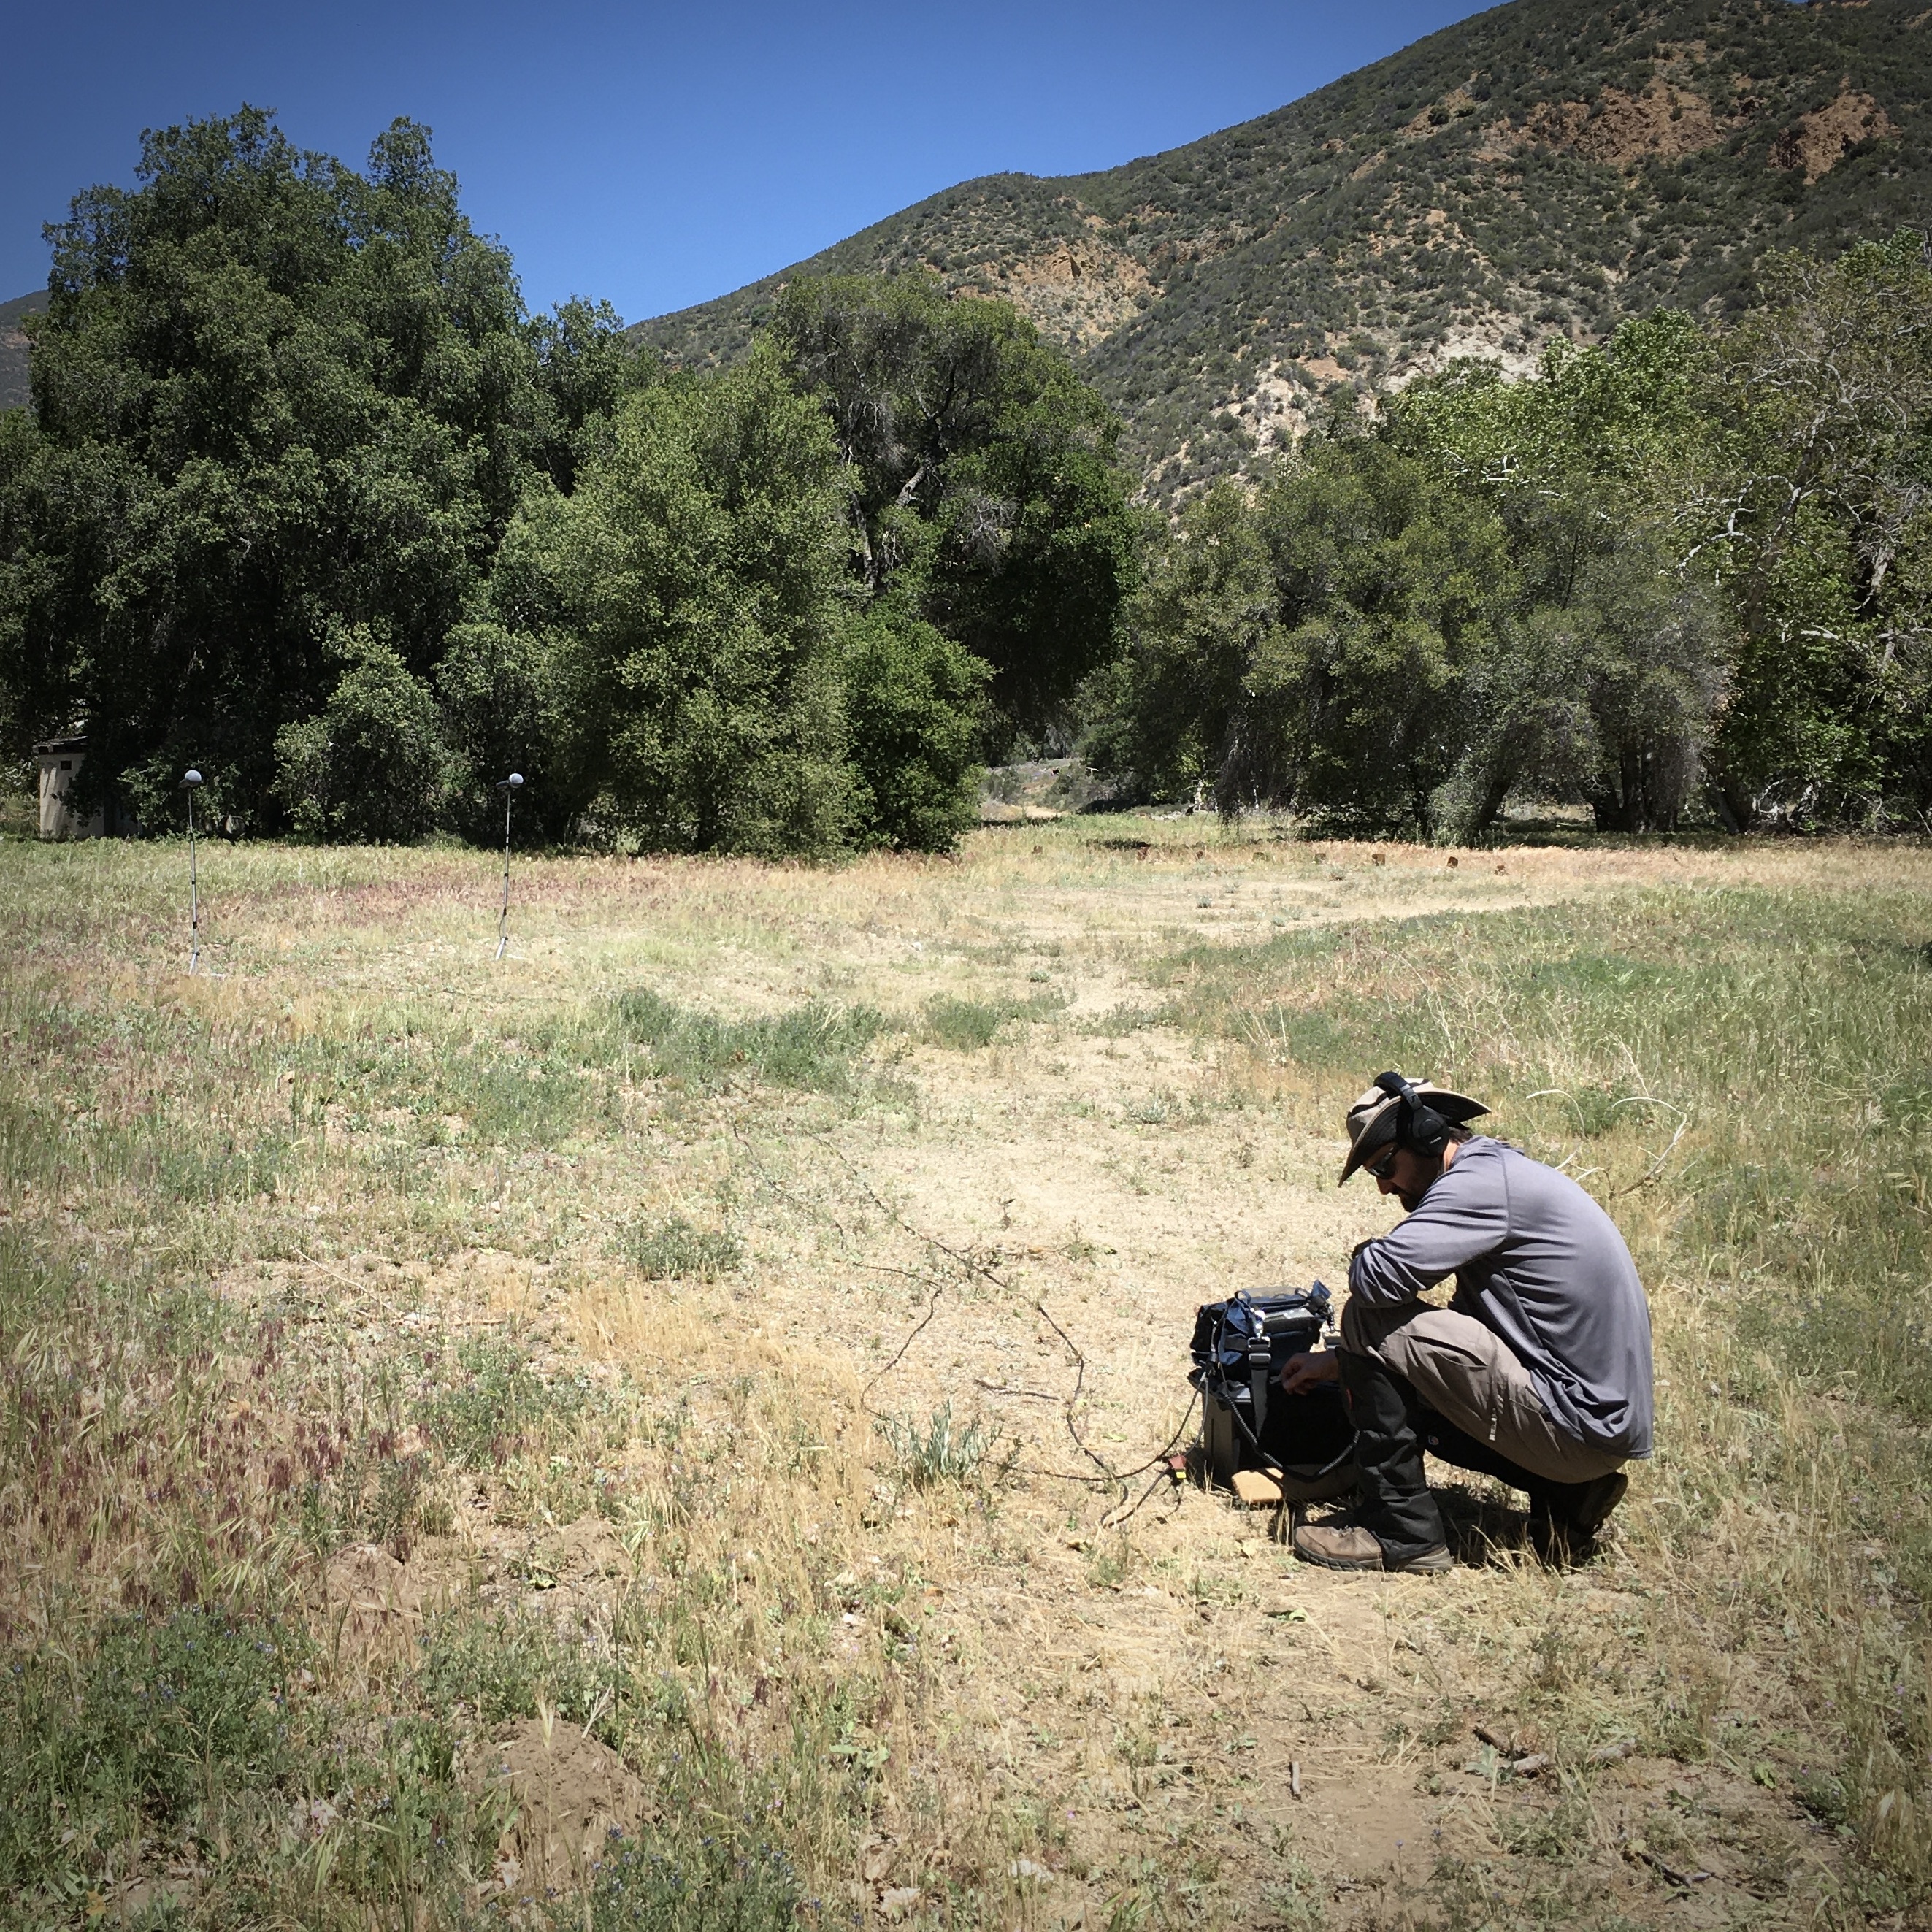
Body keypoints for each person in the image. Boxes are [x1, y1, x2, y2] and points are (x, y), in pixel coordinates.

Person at [1282, 1071, 1654, 1574]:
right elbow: (1476, 1335)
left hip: (1576, 1427)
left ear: (1428, 1135)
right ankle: (1570, 1491)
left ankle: (1401, 1530)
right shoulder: (1498, 1173)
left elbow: (1376, 1281)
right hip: (1593, 1427)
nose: (1385, 1186)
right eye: (1376, 1174)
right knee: (1397, 1358)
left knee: (1366, 1316)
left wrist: (1366, 1253)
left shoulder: (1480, 1186)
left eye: (1386, 1165)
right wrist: (1336, 1365)